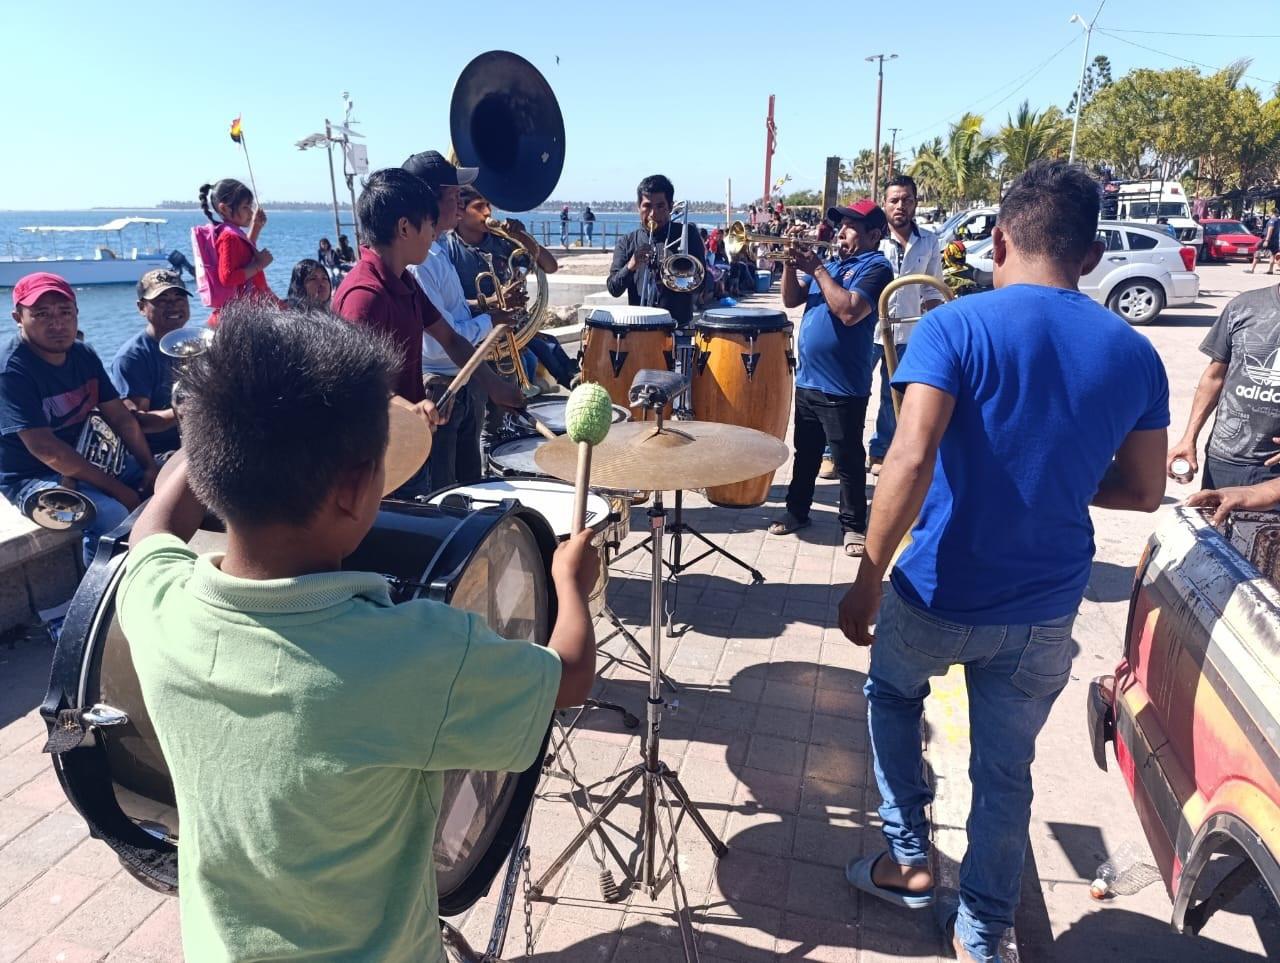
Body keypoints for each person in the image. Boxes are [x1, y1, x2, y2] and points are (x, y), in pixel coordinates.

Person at [115, 301, 599, 962]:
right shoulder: (414, 653)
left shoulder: (160, 605)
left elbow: (151, 530)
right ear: (353, 490)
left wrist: (201, 448)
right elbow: (569, 676)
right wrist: (570, 580)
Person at [837, 161, 1169, 963]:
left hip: (939, 591)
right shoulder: (1136, 356)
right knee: (1005, 773)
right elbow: (1145, 490)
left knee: (889, 692)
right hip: (1045, 610)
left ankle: (909, 856)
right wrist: (1052, 472)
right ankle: (983, 933)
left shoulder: (957, 326)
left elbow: (908, 462)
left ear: (998, 239)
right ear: (1091, 258)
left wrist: (866, 577)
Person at [332, 168, 524, 498]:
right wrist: (410, 409)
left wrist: (494, 386)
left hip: (406, 445)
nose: (434, 235)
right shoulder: (363, 298)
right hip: (373, 464)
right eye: (429, 225)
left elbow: (450, 339)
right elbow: (354, 389)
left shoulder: (405, 282)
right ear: (404, 227)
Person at [1, 273, 159, 563]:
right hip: (33, 476)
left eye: (65, 312)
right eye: (41, 314)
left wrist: (148, 467)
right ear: (18, 317)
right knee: (111, 514)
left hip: (87, 460)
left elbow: (121, 418)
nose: (57, 323)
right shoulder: (12, 371)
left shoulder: (83, 354)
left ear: (76, 313)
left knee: (168, 480)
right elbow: (46, 450)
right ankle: (97, 600)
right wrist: (119, 490)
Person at [768, 201, 894, 556]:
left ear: (873, 234)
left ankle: (854, 526)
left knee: (848, 459)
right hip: (809, 379)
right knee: (805, 453)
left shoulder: (876, 267)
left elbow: (850, 311)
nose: (841, 232)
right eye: (841, 225)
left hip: (843, 385)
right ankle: (797, 511)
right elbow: (791, 298)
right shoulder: (834, 264)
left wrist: (819, 269)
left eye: (851, 226)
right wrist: (790, 265)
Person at [403, 151, 514, 489]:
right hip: (441, 387)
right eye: (454, 197)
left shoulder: (434, 252)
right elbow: (439, 341)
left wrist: (488, 304)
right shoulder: (421, 261)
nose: (461, 206)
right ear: (429, 202)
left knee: (470, 485)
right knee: (445, 491)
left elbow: (447, 312)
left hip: (463, 383)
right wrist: (491, 320)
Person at [440, 185, 576, 390]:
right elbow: (447, 305)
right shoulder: (448, 249)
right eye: (479, 207)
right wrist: (495, 300)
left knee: (547, 344)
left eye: (488, 206)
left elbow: (550, 266)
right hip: (476, 329)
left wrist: (523, 237)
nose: (487, 212)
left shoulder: (502, 242)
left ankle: (576, 381)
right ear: (460, 212)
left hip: (510, 325)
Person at [1166, 277, 1280, 490]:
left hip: (1275, 472)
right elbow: (1214, 377)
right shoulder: (1243, 307)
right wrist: (1188, 438)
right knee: (1215, 521)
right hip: (1225, 460)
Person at [867, 174, 944, 475]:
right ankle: (834, 450)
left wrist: (937, 325)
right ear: (884, 204)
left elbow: (932, 288)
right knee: (853, 390)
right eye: (894, 200)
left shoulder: (929, 240)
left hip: (906, 330)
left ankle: (880, 450)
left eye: (906, 200)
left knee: (892, 393)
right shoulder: (872, 238)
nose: (900, 206)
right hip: (868, 329)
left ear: (915, 203)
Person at [110, 269, 191, 459]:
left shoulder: (198, 343)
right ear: (141, 307)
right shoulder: (133, 358)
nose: (173, 306)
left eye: (179, 298)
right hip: (161, 453)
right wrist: (188, 410)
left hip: (199, 438)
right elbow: (139, 422)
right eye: (162, 300)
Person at [607, 175, 706, 326]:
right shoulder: (627, 242)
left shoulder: (687, 234)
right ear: (638, 207)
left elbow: (702, 282)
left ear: (671, 207)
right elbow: (613, 289)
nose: (653, 214)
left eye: (660, 206)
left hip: (677, 328)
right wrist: (631, 265)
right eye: (647, 206)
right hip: (638, 328)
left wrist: (681, 275)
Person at [197, 178, 276, 325]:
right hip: (240, 316)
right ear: (225, 209)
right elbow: (227, 277)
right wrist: (260, 265)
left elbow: (243, 256)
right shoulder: (229, 236)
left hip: (243, 310)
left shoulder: (232, 233)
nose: (251, 212)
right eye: (245, 207)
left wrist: (256, 227)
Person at [1247, 210, 1280, 275]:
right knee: (1272, 255)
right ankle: (1270, 270)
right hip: (1275, 241)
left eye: (1270, 212)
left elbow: (1270, 230)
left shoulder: (1272, 221)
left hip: (1268, 239)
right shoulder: (1278, 221)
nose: (1269, 214)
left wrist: (1266, 240)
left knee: (1257, 252)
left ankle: (1252, 269)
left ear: (1272, 213)